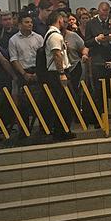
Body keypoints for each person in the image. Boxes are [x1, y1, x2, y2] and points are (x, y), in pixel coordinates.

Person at [41, 10, 75, 140]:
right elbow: (57, 54)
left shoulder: (50, 34)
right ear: (59, 19)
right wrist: (62, 73)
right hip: (57, 73)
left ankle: (62, 130)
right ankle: (61, 131)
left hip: (54, 73)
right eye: (63, 19)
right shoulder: (55, 36)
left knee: (63, 102)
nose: (64, 21)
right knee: (65, 103)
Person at [8, 12, 44, 136]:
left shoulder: (38, 38)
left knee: (41, 101)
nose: (30, 24)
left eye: (31, 22)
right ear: (19, 24)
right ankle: (24, 131)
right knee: (23, 103)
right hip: (23, 72)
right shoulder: (13, 40)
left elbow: (42, 56)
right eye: (26, 22)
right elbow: (14, 59)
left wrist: (39, 72)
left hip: (38, 71)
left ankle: (43, 128)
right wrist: (24, 74)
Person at [85, 2, 111, 127]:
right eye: (103, 11)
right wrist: (97, 40)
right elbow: (87, 42)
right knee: (98, 92)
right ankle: (99, 119)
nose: (105, 13)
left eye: (107, 11)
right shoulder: (91, 24)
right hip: (97, 61)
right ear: (98, 10)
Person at [61, 12, 88, 96]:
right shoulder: (53, 36)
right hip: (60, 69)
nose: (65, 24)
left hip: (74, 67)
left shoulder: (73, 35)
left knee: (76, 92)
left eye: (66, 22)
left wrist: (84, 54)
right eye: (63, 22)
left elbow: (84, 47)